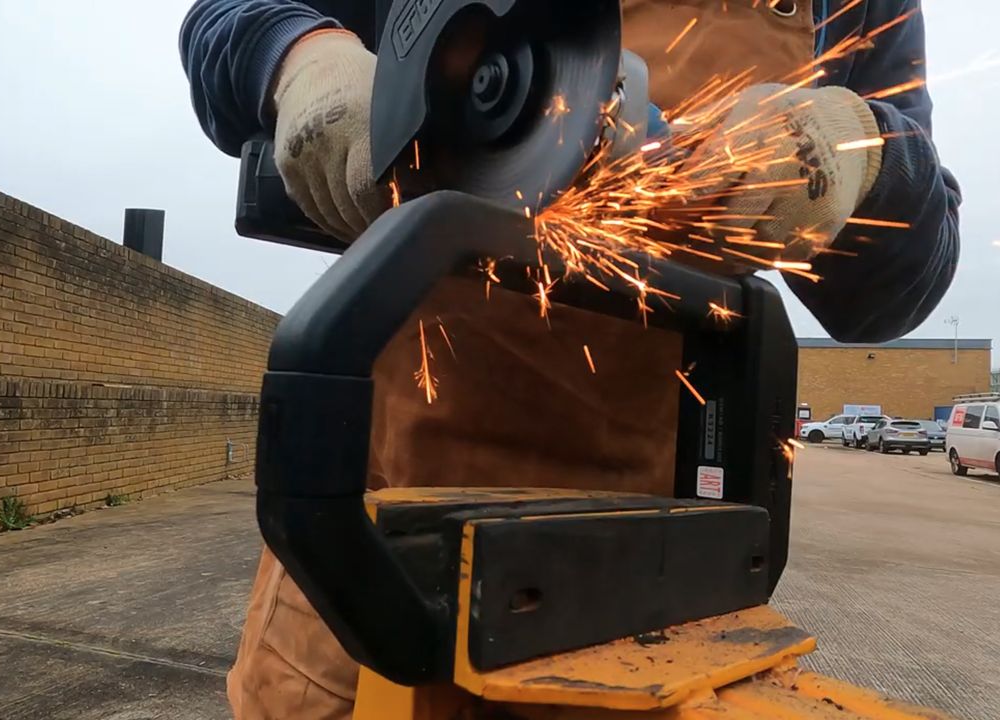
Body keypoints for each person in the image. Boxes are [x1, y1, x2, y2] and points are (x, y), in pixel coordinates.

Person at [180, 1, 960, 718]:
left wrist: (860, 150)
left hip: (650, 590)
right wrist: (301, 56)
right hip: (366, 576)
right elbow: (228, 18)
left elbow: (896, 287)